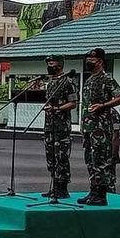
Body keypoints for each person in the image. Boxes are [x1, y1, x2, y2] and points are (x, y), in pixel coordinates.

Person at [78, 48, 120, 206]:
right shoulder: (89, 80)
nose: (89, 62)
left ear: (100, 61)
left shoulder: (107, 79)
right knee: (90, 160)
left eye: (92, 60)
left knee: (100, 160)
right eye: (88, 60)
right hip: (89, 126)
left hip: (101, 127)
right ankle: (93, 191)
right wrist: (82, 124)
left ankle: (101, 194)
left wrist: (103, 105)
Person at [41, 55, 78, 199]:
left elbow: (73, 103)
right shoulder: (50, 83)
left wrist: (57, 108)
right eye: (48, 63)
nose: (50, 66)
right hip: (49, 126)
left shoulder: (67, 82)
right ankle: (54, 186)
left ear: (60, 65)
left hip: (61, 126)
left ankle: (62, 188)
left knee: (61, 157)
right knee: (51, 157)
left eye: (52, 63)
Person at [107, 108, 120, 193]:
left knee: (109, 179)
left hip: (108, 150)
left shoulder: (112, 113)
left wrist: (114, 154)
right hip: (96, 148)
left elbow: (116, 134)